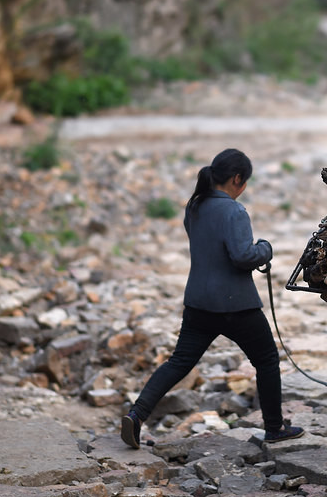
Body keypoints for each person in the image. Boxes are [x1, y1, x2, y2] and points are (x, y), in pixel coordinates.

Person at [121, 148, 303, 448]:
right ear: (237, 179)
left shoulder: (194, 207)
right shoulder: (235, 211)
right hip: (236, 305)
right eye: (245, 182)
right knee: (267, 360)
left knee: (178, 363)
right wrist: (265, 249)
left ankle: (136, 414)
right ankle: (274, 428)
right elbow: (242, 256)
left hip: (198, 303)